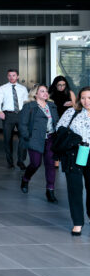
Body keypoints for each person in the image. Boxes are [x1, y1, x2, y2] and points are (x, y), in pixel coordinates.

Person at [56, 87, 90, 236]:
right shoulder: (71, 112)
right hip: (74, 153)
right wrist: (73, 138)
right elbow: (59, 128)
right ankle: (77, 222)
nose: (86, 101)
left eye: (89, 98)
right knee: (75, 188)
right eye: (83, 98)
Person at [18, 84, 59, 202]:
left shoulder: (52, 105)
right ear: (35, 94)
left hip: (50, 138)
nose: (45, 93)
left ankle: (50, 190)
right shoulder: (29, 106)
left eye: (46, 91)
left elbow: (56, 121)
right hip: (35, 139)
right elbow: (22, 124)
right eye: (42, 91)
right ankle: (25, 179)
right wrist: (27, 137)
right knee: (35, 163)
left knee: (50, 164)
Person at [0, 68, 29, 170]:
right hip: (8, 115)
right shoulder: (2, 88)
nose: (11, 77)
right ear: (7, 76)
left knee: (24, 138)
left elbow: (26, 102)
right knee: (7, 139)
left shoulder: (23, 88)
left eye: (13, 75)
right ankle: (10, 162)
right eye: (9, 75)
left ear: (17, 76)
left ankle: (21, 161)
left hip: (21, 115)